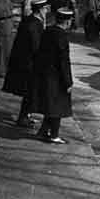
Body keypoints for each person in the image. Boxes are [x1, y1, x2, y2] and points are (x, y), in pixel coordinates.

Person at [3, 0, 49, 127]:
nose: (46, 11)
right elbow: (36, 46)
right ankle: (23, 118)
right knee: (30, 92)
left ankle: (25, 116)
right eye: (45, 9)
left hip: (23, 61)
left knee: (29, 92)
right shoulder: (35, 24)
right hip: (30, 64)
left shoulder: (28, 20)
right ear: (39, 10)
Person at [33, 8, 75, 144]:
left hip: (45, 73)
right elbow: (64, 61)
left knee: (50, 105)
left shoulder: (48, 31)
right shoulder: (62, 36)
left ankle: (43, 131)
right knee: (58, 106)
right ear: (67, 22)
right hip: (57, 77)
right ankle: (54, 135)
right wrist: (68, 82)